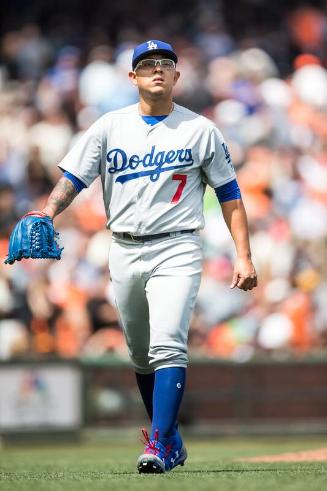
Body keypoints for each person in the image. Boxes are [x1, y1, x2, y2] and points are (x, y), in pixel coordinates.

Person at [39, 39, 257, 473]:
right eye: (147, 64)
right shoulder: (108, 126)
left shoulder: (200, 129)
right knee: (141, 354)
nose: (156, 69)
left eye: (165, 64)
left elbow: (230, 194)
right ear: (132, 77)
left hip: (177, 244)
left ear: (177, 76)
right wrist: (46, 211)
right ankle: (171, 438)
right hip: (122, 246)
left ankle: (158, 443)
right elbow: (75, 178)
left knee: (167, 342)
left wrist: (244, 255)